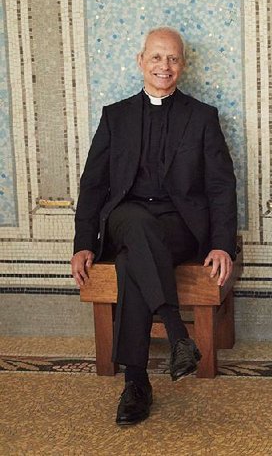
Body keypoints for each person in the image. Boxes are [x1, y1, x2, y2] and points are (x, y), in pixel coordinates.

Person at [70, 27, 237, 426]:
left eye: (173, 58)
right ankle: (178, 331)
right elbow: (93, 183)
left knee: (132, 262)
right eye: (157, 57)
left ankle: (136, 383)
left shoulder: (202, 117)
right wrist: (82, 242)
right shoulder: (116, 116)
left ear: (183, 65)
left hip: (178, 227)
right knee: (135, 223)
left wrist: (221, 244)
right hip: (126, 217)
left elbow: (220, 186)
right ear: (141, 61)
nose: (165, 66)